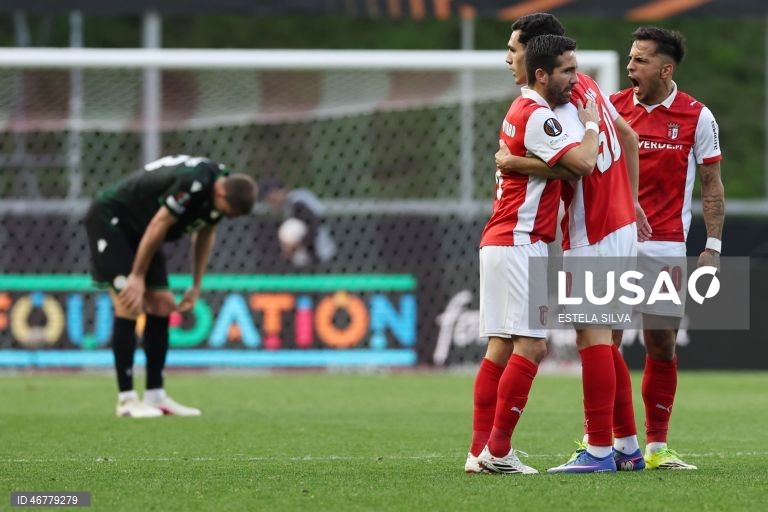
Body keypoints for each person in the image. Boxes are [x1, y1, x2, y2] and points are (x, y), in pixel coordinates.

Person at [493, 13, 649, 473]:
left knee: (592, 334)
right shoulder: (588, 87)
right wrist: (633, 200)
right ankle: (626, 446)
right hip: (617, 215)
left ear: (537, 55)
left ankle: (598, 450)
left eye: (515, 49)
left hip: (594, 223)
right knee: (604, 337)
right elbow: (629, 135)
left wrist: (516, 163)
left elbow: (578, 163)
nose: (510, 58)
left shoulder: (558, 101)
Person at [467, 34, 601, 475]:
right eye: (566, 70)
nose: (574, 78)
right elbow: (582, 163)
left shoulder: (520, 108)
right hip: (521, 241)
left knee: (500, 346)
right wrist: (591, 124)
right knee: (533, 345)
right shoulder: (539, 115)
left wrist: (522, 163)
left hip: (504, 239)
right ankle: (499, 452)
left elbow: (552, 165)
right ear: (542, 73)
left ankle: (478, 451)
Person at [609, 26, 725, 470]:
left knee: (661, 342)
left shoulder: (698, 116)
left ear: (665, 68)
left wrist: (712, 246)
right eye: (630, 58)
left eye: (639, 60)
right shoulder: (612, 108)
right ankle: (610, 442)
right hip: (614, 241)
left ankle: (657, 447)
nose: (630, 67)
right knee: (608, 342)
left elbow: (712, 186)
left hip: (666, 246)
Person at [84, 155, 257, 418]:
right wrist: (138, 276)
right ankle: (127, 400)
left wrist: (196, 285)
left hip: (143, 231)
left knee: (163, 305)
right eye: (226, 212)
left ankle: (155, 395)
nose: (224, 216)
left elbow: (205, 233)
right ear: (220, 192)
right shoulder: (194, 184)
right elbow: (159, 223)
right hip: (113, 221)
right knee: (129, 302)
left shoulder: (221, 185)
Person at [260, 180, 337, 268]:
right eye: (268, 201)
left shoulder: (297, 203)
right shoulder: (294, 200)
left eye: (272, 199)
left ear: (283, 190)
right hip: (320, 250)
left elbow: (314, 225)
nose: (271, 204)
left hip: (320, 252)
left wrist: (298, 244)